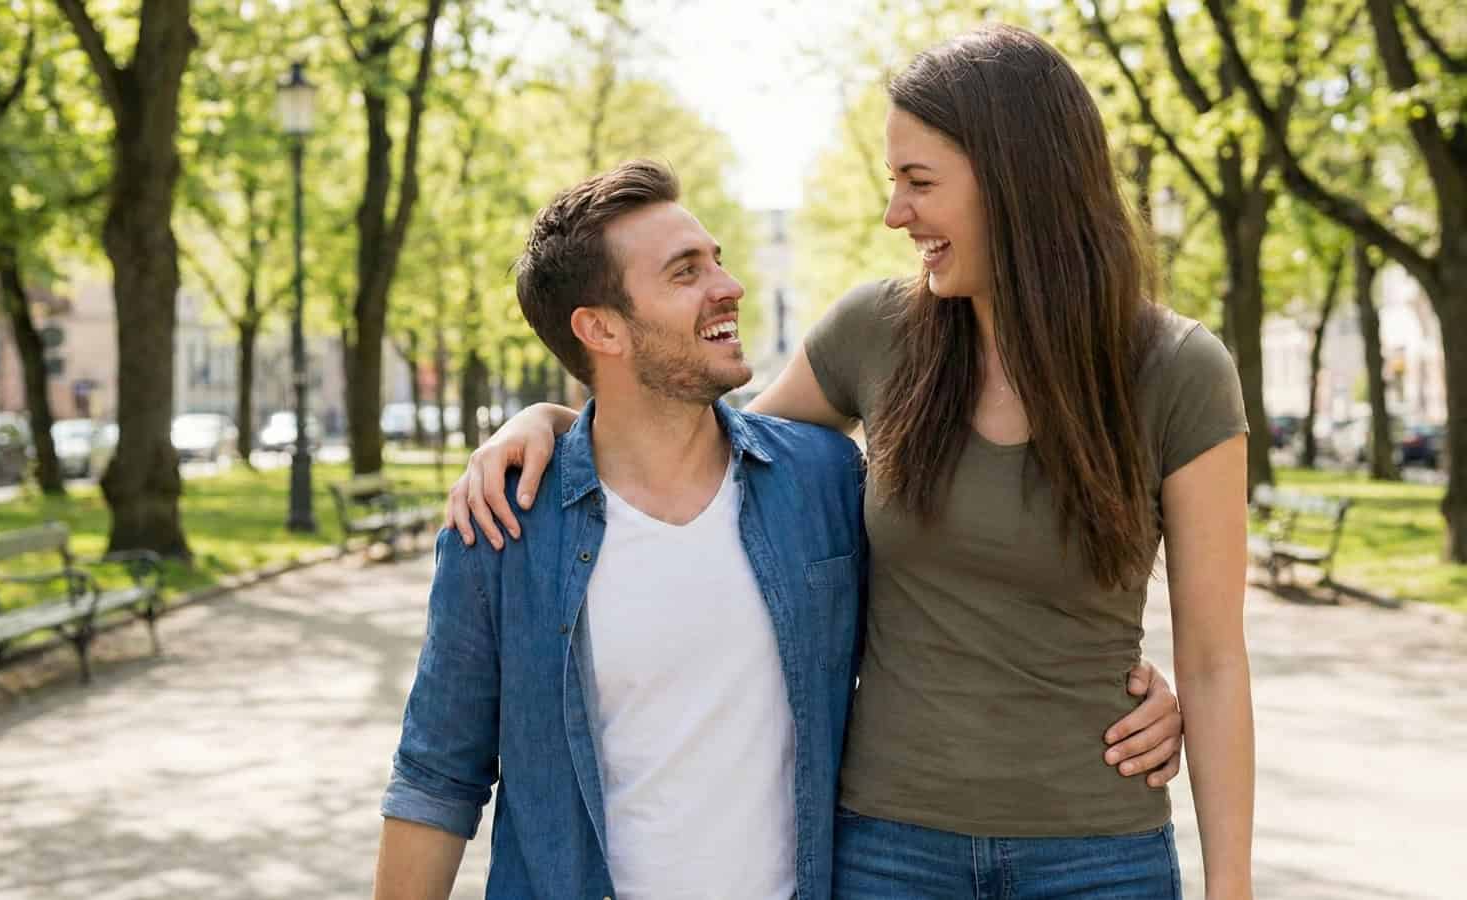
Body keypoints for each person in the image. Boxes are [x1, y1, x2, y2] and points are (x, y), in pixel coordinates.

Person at [446, 24, 1252, 900]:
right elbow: (699, 438)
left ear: (1015, 181)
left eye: (919, 182)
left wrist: (1232, 885)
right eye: (890, 182)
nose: (895, 214)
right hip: (890, 852)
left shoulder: (1176, 371)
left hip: (1100, 853)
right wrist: (552, 418)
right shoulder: (879, 334)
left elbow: (1214, 661)